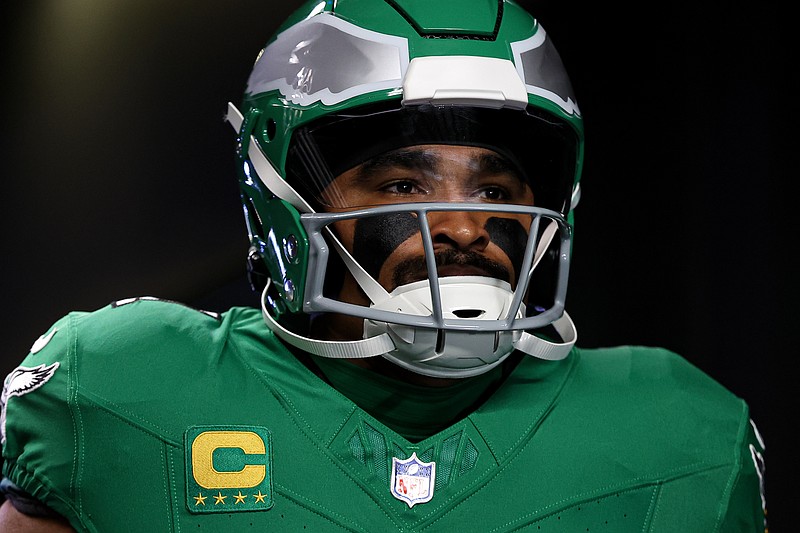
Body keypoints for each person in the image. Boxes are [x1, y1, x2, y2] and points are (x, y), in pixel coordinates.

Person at [0, 0, 767, 531]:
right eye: (405, 183)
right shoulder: (118, 388)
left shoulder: (680, 431)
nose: (466, 225)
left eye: (496, 186)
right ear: (282, 195)